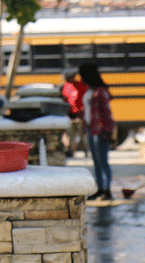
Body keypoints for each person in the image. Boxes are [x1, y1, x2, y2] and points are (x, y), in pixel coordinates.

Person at [79, 63, 115, 201]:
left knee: (103, 162)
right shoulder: (90, 90)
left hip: (100, 131)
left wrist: (109, 131)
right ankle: (100, 189)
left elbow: (107, 113)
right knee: (96, 162)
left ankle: (107, 190)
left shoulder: (100, 91)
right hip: (91, 129)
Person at [61, 69, 88, 158]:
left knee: (82, 134)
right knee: (71, 135)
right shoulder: (66, 86)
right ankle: (70, 151)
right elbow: (65, 100)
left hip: (80, 115)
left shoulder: (81, 85)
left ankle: (86, 151)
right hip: (71, 115)